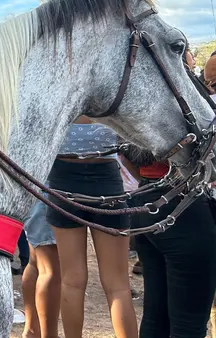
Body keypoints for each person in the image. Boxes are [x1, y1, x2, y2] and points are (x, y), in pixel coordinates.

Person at [47, 118, 138, 338]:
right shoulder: (105, 98)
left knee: (72, 280)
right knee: (118, 285)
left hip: (63, 179)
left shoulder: (62, 99)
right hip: (106, 178)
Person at [126, 143, 216, 337]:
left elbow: (126, 153)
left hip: (148, 195)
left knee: (156, 314)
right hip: (185, 203)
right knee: (188, 323)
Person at [21, 201, 61, 338]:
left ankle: (32, 330)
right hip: (48, 195)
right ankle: (48, 335)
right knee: (50, 270)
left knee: (36, 263)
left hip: (36, 195)